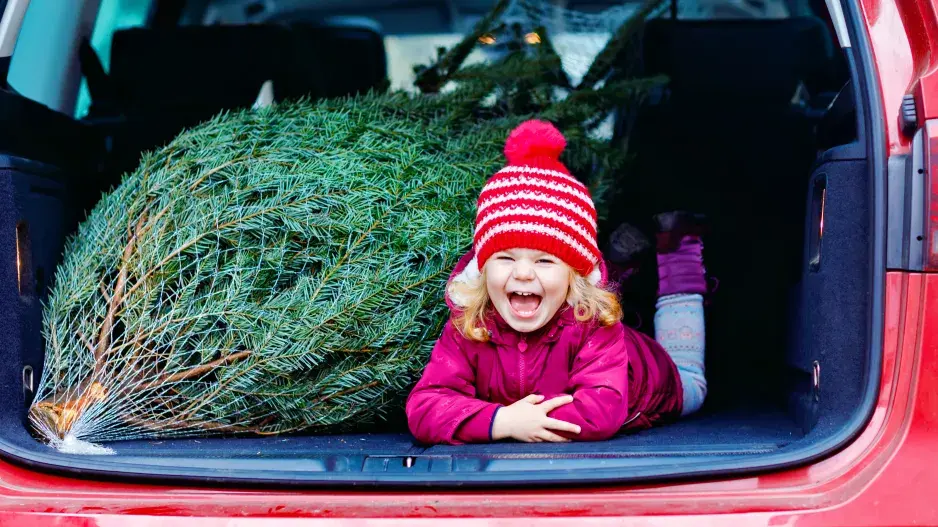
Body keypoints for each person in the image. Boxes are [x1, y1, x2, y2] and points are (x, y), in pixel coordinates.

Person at [405, 119, 709, 444]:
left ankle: (679, 252)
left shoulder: (593, 326)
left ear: (574, 277)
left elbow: (600, 411)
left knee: (693, 383)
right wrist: (502, 421)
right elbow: (424, 408)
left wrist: (528, 421)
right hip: (584, 322)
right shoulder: (471, 325)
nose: (522, 273)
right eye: (505, 258)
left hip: (658, 380)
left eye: (544, 261)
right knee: (593, 290)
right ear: (482, 268)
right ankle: (622, 256)